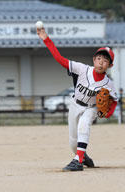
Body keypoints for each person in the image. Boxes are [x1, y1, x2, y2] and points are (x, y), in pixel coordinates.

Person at [37, 27, 118, 171]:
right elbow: (60, 59)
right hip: (75, 104)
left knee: (84, 124)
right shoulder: (82, 69)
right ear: (94, 59)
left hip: (91, 108)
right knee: (73, 144)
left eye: (105, 60)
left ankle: (77, 161)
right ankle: (82, 155)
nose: (101, 62)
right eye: (99, 58)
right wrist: (46, 39)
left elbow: (114, 100)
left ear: (110, 65)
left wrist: (108, 113)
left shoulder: (108, 83)